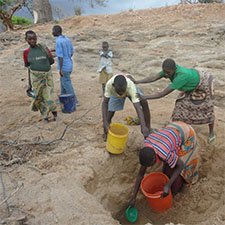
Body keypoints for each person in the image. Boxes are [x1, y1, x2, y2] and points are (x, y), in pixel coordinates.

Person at [129, 58, 215, 144]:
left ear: (174, 69)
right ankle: (178, 129)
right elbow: (154, 77)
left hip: (203, 82)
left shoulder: (180, 77)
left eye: (168, 73)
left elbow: (162, 94)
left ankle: (211, 132)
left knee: (206, 108)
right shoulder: (168, 69)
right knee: (180, 108)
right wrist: (137, 81)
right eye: (164, 72)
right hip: (191, 81)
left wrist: (144, 97)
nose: (166, 75)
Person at [129, 121, 199, 207]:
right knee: (169, 164)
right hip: (171, 130)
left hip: (186, 133)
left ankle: (177, 189)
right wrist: (133, 198)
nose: (148, 167)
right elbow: (140, 175)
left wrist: (168, 185)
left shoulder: (163, 153)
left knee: (182, 170)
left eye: (151, 164)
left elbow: (180, 165)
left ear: (155, 158)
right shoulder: (146, 148)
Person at [102, 73, 151, 141]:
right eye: (119, 91)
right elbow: (105, 103)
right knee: (110, 112)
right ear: (113, 86)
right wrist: (105, 122)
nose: (121, 93)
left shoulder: (130, 86)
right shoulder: (109, 85)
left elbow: (138, 108)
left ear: (126, 86)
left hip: (128, 90)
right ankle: (106, 131)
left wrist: (143, 126)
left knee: (144, 102)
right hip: (115, 93)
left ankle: (148, 128)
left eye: (123, 91)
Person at [23, 30, 57, 123]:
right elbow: (28, 68)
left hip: (47, 77)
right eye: (30, 39)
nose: (33, 41)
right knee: (40, 98)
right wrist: (29, 84)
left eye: (34, 38)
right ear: (26, 40)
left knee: (49, 97)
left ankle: (55, 113)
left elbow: (51, 61)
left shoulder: (43, 48)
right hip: (36, 79)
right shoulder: (26, 53)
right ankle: (45, 117)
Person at [52, 25, 79, 106]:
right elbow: (71, 52)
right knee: (63, 81)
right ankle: (62, 99)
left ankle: (74, 101)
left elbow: (60, 56)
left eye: (53, 31)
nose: (52, 32)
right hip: (69, 64)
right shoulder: (67, 39)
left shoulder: (58, 41)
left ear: (56, 32)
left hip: (64, 66)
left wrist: (60, 69)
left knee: (67, 83)